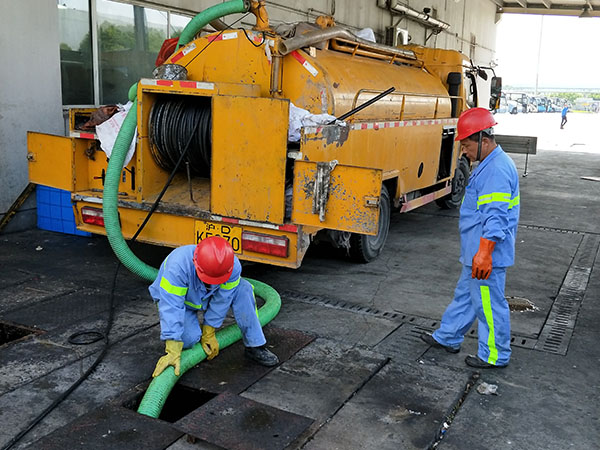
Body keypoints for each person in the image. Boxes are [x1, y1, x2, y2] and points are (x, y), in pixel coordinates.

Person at [421, 107, 520, 369]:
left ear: (483, 140)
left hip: (486, 254)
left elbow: (496, 217)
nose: (464, 152)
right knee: (465, 296)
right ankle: (448, 336)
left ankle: (495, 354)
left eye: (466, 145)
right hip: (476, 252)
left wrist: (485, 253)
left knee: (488, 304)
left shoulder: (496, 170)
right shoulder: (489, 164)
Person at [149, 236, 279, 377]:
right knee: (188, 339)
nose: (212, 282)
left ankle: (255, 345)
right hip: (182, 303)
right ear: (196, 263)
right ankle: (189, 334)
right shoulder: (177, 267)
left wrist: (209, 330)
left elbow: (222, 300)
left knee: (244, 289)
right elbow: (171, 306)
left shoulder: (232, 266)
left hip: (207, 295)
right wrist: (173, 347)